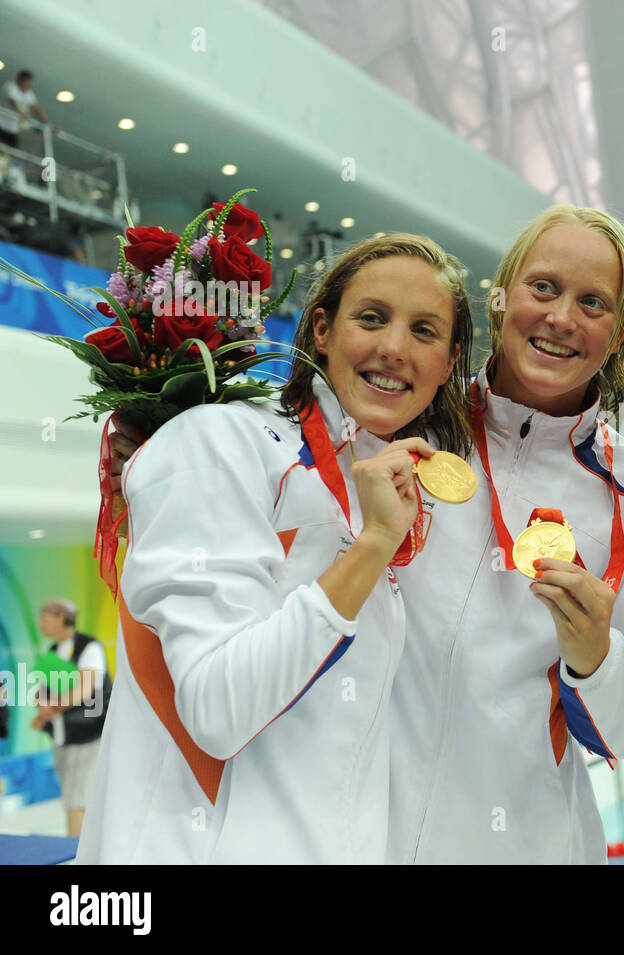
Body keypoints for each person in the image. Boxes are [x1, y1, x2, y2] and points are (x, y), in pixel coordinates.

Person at [78, 233, 475, 863]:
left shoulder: (382, 490)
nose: (394, 348)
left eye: (424, 331)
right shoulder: (219, 441)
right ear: (320, 329)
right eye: (371, 318)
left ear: (449, 363)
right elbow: (217, 709)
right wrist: (371, 545)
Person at [387, 205, 624, 863]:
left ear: (621, 330)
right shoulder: (411, 427)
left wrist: (594, 655)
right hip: (370, 830)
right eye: (543, 288)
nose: (562, 317)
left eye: (593, 302)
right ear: (501, 298)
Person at [30, 599, 111, 837]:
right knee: (72, 798)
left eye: (45, 617)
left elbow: (85, 691)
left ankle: (76, 855)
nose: (40, 623)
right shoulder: (52, 652)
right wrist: (42, 704)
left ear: (62, 619)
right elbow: (44, 691)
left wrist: (52, 707)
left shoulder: (89, 647)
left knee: (76, 800)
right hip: (61, 736)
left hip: (87, 735)